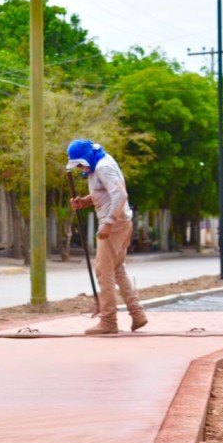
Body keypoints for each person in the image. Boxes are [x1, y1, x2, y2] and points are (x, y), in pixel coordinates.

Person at [67, 139, 147, 335]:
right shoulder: (101, 164)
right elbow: (105, 194)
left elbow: (120, 195)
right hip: (122, 222)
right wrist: (85, 202)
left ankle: (109, 320)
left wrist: (108, 222)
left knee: (104, 272)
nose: (79, 168)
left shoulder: (103, 167)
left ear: (86, 158)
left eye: (80, 164)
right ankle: (137, 314)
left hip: (115, 224)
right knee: (118, 269)